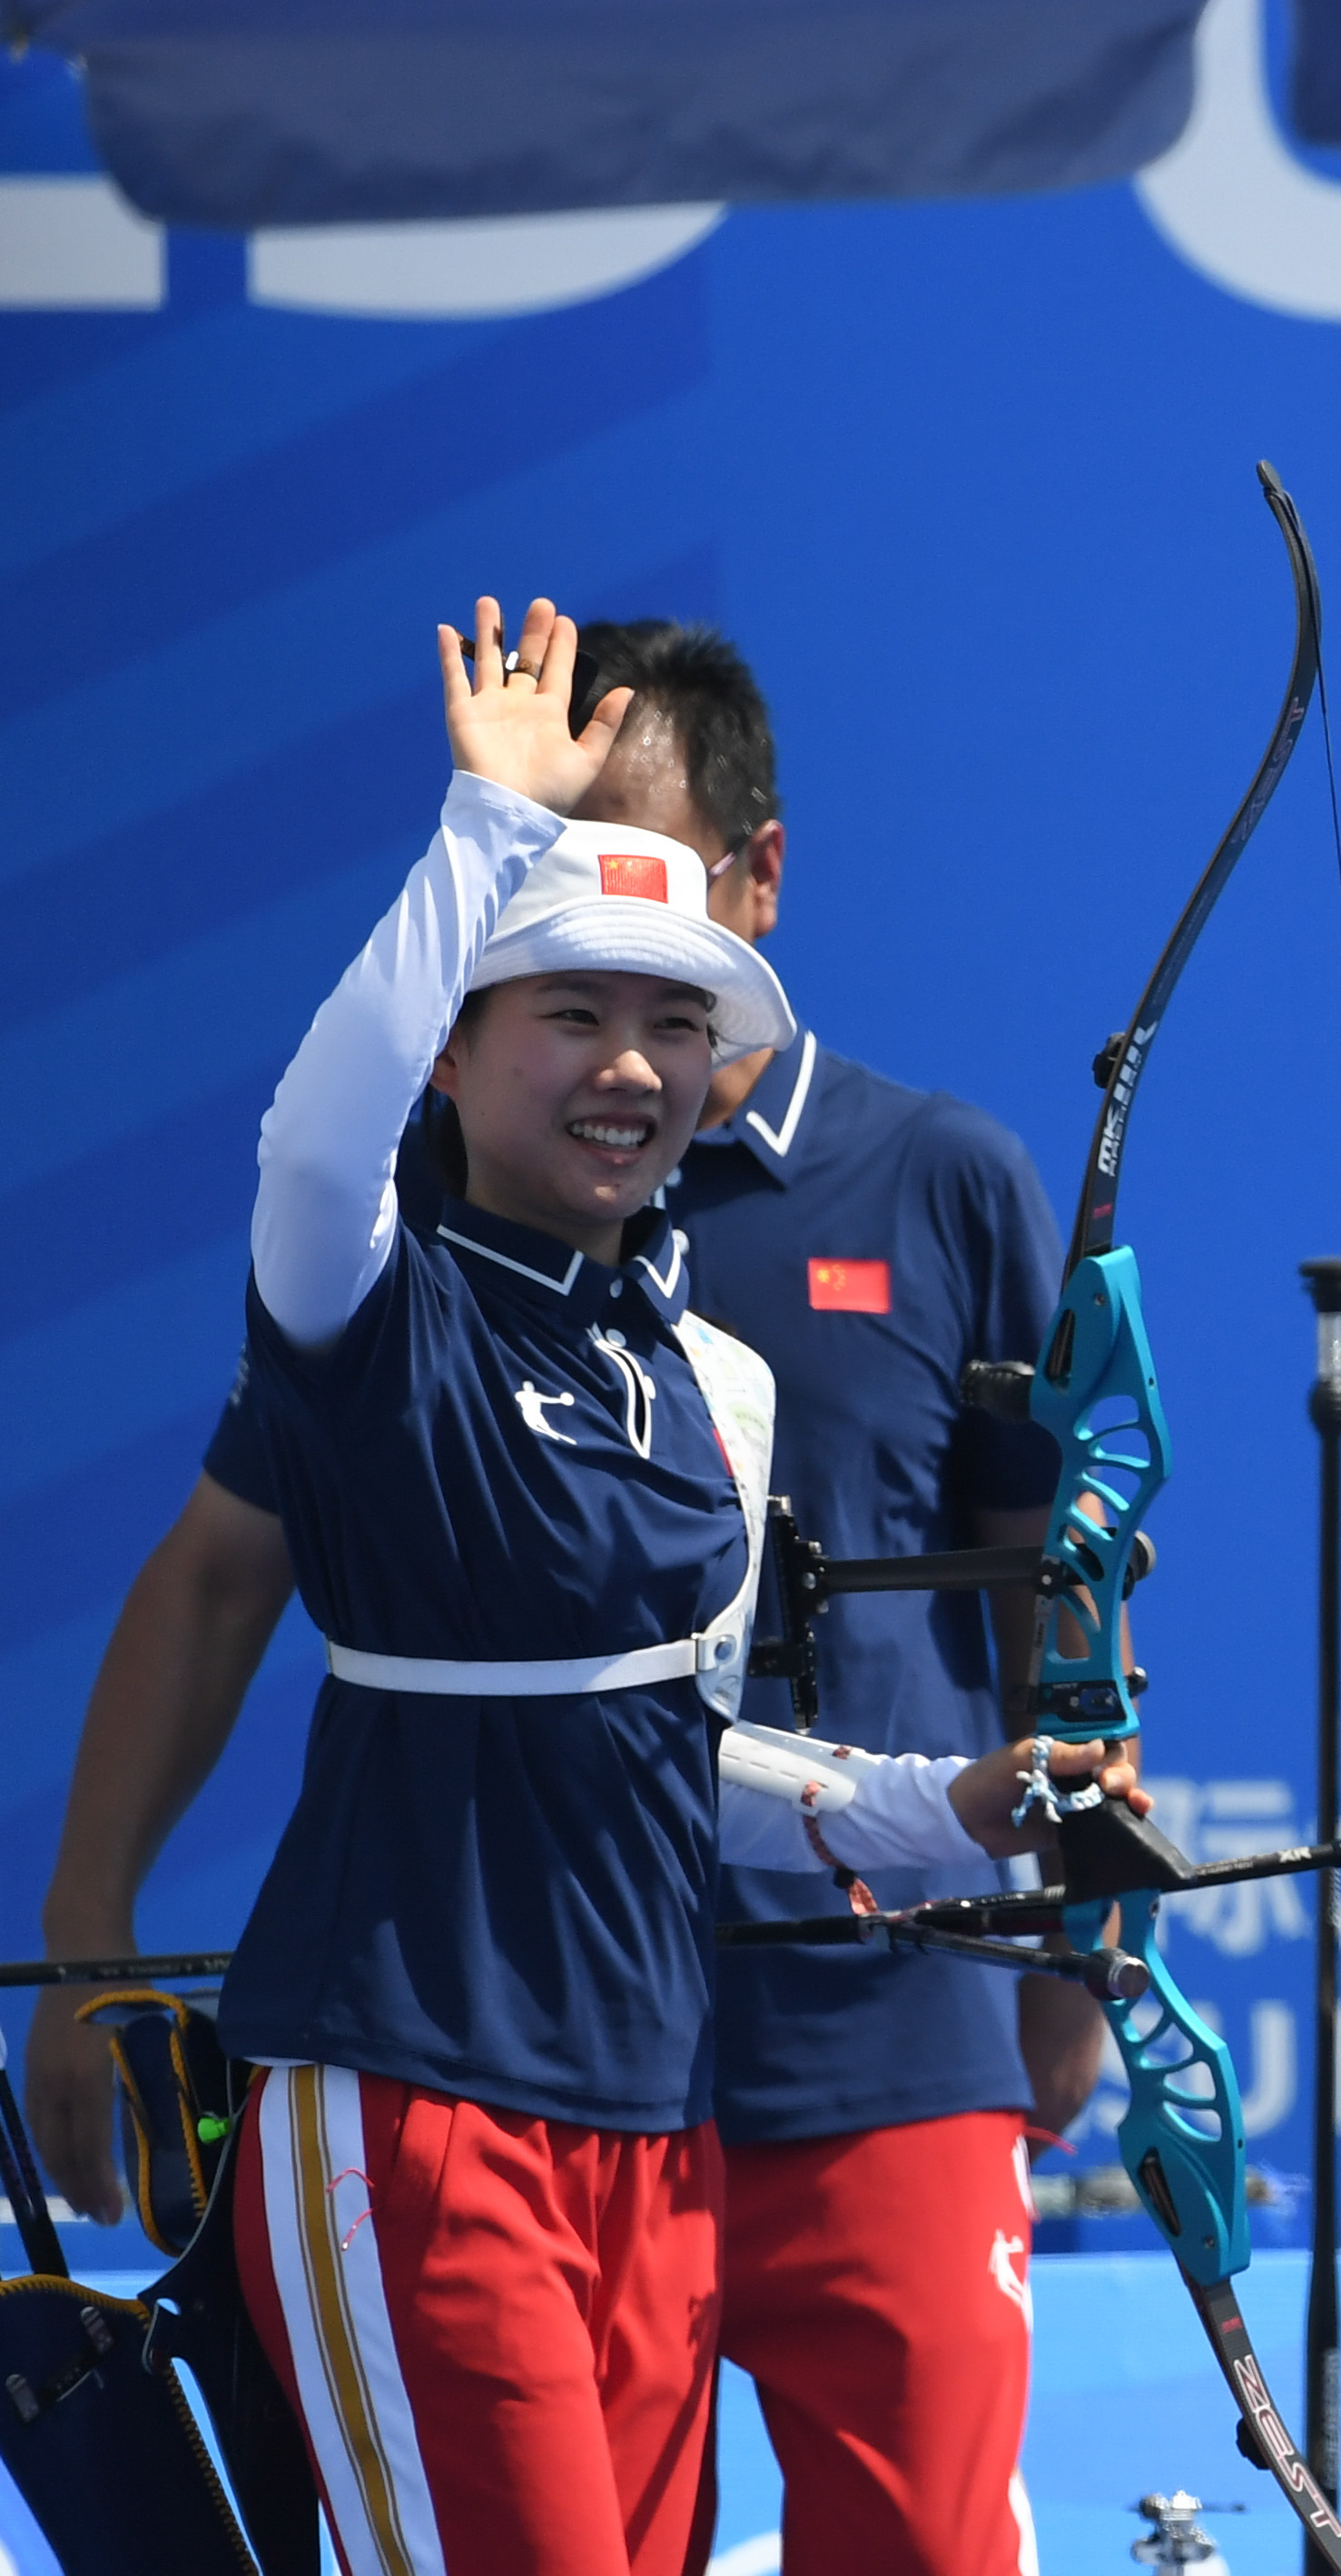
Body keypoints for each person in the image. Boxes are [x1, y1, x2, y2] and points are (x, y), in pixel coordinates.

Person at [31, 620, 1093, 2576]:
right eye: (567, 1012)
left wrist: (945, 1814)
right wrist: (479, 823)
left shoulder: (710, 1375)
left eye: (671, 1022)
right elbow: (308, 1144)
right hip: (412, 2106)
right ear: (455, 1041)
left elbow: (674, 1738)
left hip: (653, 2122)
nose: (629, 1067)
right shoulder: (375, 1299)